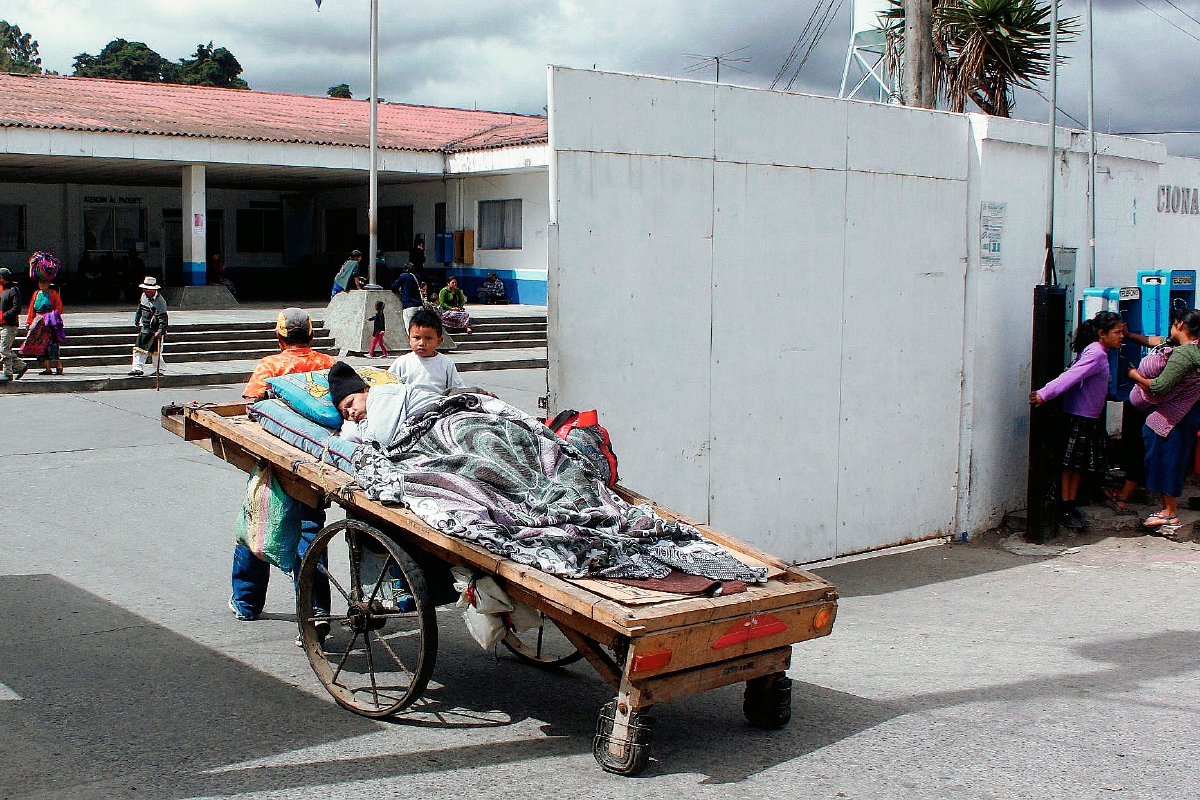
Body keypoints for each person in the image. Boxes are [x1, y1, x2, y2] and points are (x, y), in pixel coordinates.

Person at [233, 308, 338, 646]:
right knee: (310, 531)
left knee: (256, 524)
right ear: (311, 335)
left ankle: (246, 603)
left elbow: (251, 402)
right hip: (322, 461)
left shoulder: (271, 366)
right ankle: (316, 611)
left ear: (279, 337)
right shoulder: (330, 365)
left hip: (277, 461)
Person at [1030, 310, 1126, 529]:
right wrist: (1045, 393)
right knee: (1070, 466)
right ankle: (1065, 506)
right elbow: (1072, 376)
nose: (1121, 336)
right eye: (1117, 332)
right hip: (1079, 415)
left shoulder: (1098, 351)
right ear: (1103, 333)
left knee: (1076, 466)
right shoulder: (1096, 354)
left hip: (1088, 415)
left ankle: (1070, 505)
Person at [1126, 308, 1200, 529]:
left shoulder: (1184, 355)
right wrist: (1130, 336)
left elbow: (1159, 387)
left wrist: (1133, 375)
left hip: (1174, 418)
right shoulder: (1194, 347)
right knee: (1176, 460)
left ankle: (1169, 512)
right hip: (1190, 413)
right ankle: (1168, 509)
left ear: (1180, 325)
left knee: (1168, 461)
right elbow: (1157, 341)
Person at [329, 360, 442, 446]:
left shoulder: (380, 394)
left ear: (365, 390)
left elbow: (381, 440)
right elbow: (347, 437)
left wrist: (361, 428)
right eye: (346, 414)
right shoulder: (370, 413)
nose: (351, 412)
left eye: (350, 403)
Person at [388, 308, 465, 395]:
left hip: (436, 404)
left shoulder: (446, 363)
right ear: (409, 338)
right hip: (409, 405)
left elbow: (458, 389)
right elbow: (387, 385)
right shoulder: (402, 363)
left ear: (439, 341)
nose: (421, 343)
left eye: (428, 338)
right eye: (416, 338)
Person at [23, 277, 65, 375]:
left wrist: (48, 317)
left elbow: (59, 309)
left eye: (44, 283)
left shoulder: (53, 294)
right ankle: (47, 368)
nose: (42, 284)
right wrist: (29, 322)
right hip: (38, 323)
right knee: (41, 346)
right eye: (40, 282)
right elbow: (31, 309)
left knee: (53, 344)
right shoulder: (36, 294)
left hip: (50, 323)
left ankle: (58, 365)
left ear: (49, 283)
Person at [129, 276, 168, 377]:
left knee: (156, 352)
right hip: (145, 327)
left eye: (147, 289)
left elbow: (163, 318)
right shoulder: (144, 296)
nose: (145, 291)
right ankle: (137, 368)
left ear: (153, 290)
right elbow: (140, 308)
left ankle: (160, 370)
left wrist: (161, 330)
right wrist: (137, 319)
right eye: (144, 289)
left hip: (155, 329)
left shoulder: (160, 301)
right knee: (138, 348)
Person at [0, 268, 27, 382]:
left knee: (4, 348)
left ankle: (8, 373)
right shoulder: (2, 291)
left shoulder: (13, 290)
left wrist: (4, 316)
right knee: (5, 348)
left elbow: (17, 308)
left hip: (10, 325)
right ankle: (21, 366)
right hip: (2, 324)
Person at [390, 263, 423, 332]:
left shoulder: (404, 276)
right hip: (420, 306)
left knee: (410, 329)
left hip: (409, 306)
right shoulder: (417, 276)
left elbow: (393, 287)